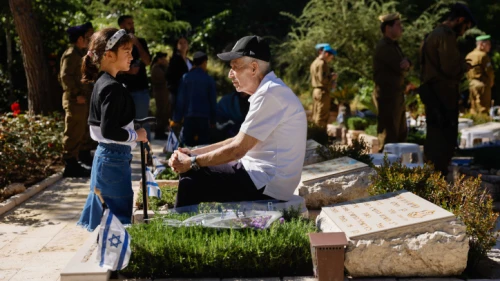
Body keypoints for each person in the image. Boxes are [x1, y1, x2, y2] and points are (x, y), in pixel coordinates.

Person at [168, 35, 307, 208]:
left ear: (254, 68)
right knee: (195, 169)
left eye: (235, 67)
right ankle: (186, 226)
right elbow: (235, 140)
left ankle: (180, 231)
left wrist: (192, 162)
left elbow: (237, 150)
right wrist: (194, 152)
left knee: (192, 176)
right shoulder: (269, 90)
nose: (230, 74)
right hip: (262, 176)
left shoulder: (269, 94)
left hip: (268, 184)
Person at [77, 28, 148, 231]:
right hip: (113, 160)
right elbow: (109, 131)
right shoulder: (112, 87)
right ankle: (114, 261)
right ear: (109, 55)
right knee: (118, 215)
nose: (131, 56)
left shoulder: (105, 83)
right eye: (126, 51)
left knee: (107, 214)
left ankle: (107, 256)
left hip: (108, 158)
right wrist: (137, 135)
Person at [420, 3, 476, 176]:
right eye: (466, 26)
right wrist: (463, 66)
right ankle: (438, 179)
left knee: (436, 137)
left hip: (435, 92)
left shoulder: (435, 33)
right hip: (442, 93)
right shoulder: (446, 35)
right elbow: (449, 67)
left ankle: (435, 176)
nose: (465, 31)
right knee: (442, 141)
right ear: (460, 20)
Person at [59, 23, 94, 177]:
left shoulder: (79, 53)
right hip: (74, 100)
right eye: (86, 38)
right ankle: (70, 163)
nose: (88, 40)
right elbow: (65, 77)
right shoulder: (71, 54)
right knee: (73, 131)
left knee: (80, 131)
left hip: (81, 100)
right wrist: (75, 94)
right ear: (79, 39)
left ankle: (76, 159)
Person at [373, 13, 411, 151]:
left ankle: (396, 169)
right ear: (388, 28)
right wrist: (405, 64)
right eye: (398, 25)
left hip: (396, 94)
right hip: (388, 96)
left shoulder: (394, 45)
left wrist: (407, 64)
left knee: (400, 134)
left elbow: (406, 63)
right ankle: (385, 169)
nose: (401, 28)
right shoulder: (384, 46)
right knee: (389, 136)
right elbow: (400, 66)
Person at [116, 15, 152, 143]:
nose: (132, 26)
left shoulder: (140, 42)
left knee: (143, 123)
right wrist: (128, 71)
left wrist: (136, 44)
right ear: (121, 26)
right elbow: (110, 66)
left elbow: (147, 61)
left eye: (133, 23)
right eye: (128, 23)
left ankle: (148, 155)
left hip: (141, 90)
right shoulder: (116, 43)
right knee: (124, 124)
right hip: (123, 90)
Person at [172, 52, 217, 147]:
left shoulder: (186, 78)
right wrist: (213, 120)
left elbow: (181, 100)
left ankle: (188, 161)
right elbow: (213, 101)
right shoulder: (209, 79)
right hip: (204, 119)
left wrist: (177, 119)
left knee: (187, 146)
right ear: (204, 63)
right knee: (203, 146)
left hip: (189, 118)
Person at [466, 35, 495, 114]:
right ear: (482, 44)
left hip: (471, 83)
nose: (490, 46)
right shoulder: (483, 56)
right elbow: (489, 71)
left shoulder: (469, 55)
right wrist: (491, 82)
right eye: (488, 44)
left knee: (474, 107)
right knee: (484, 108)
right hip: (482, 84)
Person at [310, 45, 337, 129]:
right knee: (322, 116)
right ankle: (319, 137)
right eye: (331, 57)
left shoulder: (315, 62)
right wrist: (332, 78)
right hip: (322, 92)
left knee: (315, 115)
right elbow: (323, 80)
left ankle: (314, 135)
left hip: (316, 91)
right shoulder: (322, 63)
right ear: (327, 54)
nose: (330, 59)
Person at [166, 37, 192, 119]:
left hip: (190, 92)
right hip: (177, 91)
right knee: (177, 116)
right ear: (177, 46)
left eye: (185, 43)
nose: (183, 45)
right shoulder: (174, 60)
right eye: (181, 43)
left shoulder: (190, 61)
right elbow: (170, 76)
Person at [151, 52, 170, 139]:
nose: (165, 61)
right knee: (161, 113)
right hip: (160, 94)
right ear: (159, 59)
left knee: (164, 112)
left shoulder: (160, 67)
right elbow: (165, 77)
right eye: (163, 59)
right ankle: (158, 132)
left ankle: (161, 131)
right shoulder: (156, 68)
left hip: (163, 93)